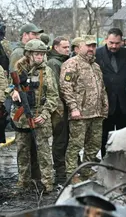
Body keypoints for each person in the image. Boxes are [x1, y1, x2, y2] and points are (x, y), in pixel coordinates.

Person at [10, 39, 58, 192]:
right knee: (22, 151)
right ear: (28, 54)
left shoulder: (46, 71)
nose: (40, 57)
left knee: (43, 152)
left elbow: (53, 96)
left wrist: (44, 114)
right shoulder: (18, 69)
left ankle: (47, 183)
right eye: (37, 54)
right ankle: (23, 182)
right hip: (21, 117)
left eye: (42, 54)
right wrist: (13, 92)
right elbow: (8, 86)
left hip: (38, 115)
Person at [60, 35, 108, 182]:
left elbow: (102, 88)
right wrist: (73, 108)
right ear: (77, 48)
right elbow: (65, 87)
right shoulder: (71, 64)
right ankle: (72, 174)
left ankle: (86, 171)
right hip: (79, 114)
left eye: (93, 46)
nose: (91, 49)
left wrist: (104, 107)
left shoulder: (95, 66)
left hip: (96, 113)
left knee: (94, 145)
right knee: (75, 145)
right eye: (88, 46)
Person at [95, 28, 126, 157]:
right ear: (106, 39)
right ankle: (107, 160)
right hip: (106, 103)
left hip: (124, 102)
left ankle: (124, 161)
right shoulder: (98, 54)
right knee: (105, 135)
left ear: (122, 42)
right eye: (111, 42)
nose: (114, 46)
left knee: (124, 135)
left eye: (117, 43)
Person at [46, 36, 70, 184]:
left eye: (68, 47)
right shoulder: (54, 63)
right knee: (60, 140)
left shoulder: (62, 61)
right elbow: (56, 87)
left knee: (66, 138)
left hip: (65, 105)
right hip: (59, 107)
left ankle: (64, 169)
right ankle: (60, 172)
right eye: (65, 47)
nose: (68, 50)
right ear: (56, 47)